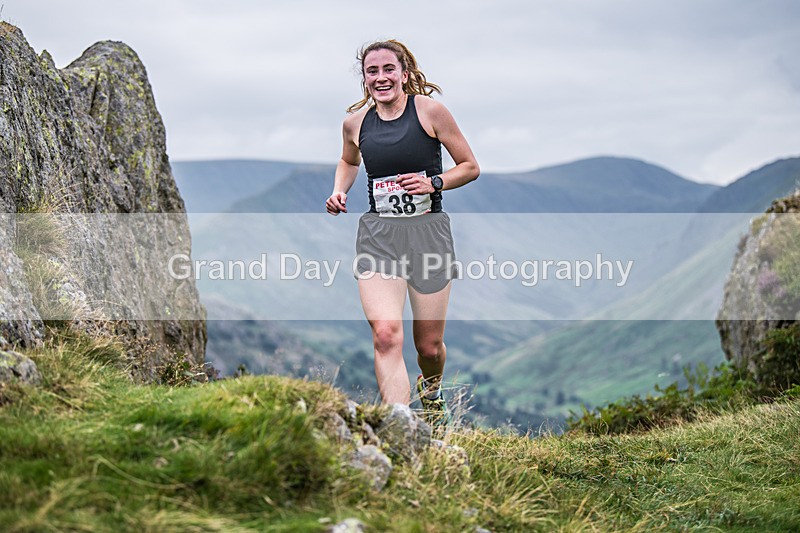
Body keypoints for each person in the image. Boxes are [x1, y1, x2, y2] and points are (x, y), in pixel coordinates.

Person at [326, 39, 479, 428]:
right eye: (372, 72)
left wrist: (435, 183)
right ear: (365, 80)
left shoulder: (430, 112)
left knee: (428, 347)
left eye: (388, 69)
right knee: (386, 335)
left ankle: (432, 391)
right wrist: (339, 189)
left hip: (428, 235)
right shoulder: (355, 124)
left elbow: (470, 166)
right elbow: (348, 159)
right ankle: (402, 427)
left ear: (404, 73)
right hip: (379, 236)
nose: (381, 78)